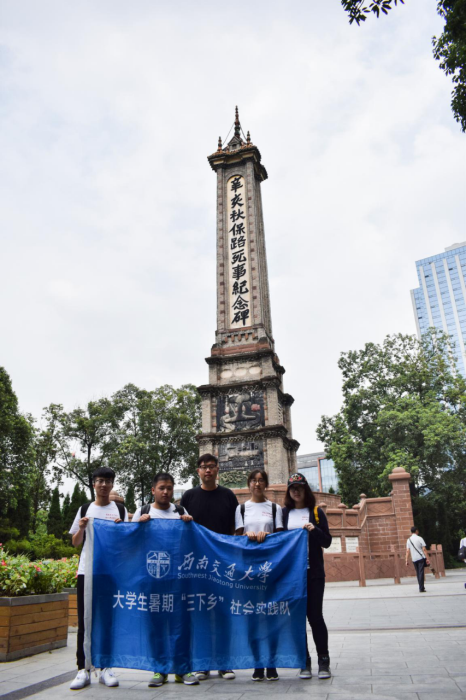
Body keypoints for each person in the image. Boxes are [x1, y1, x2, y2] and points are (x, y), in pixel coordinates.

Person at [132, 472, 199, 687]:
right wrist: (138, 526)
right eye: (161, 488)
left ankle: (182, 669)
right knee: (156, 626)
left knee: (181, 625)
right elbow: (131, 543)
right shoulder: (143, 512)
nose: (166, 492)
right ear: (153, 490)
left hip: (178, 579)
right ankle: (159, 670)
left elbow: (191, 543)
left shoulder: (180, 511)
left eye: (169, 488)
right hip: (152, 579)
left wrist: (189, 524)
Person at [69, 467, 129, 691]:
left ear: (112, 484)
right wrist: (82, 528)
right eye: (100, 480)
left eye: (108, 481)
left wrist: (121, 530)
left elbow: (125, 544)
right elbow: (75, 542)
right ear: (94, 484)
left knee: (107, 621)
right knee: (84, 621)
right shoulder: (85, 509)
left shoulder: (120, 510)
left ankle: (105, 668)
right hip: (87, 571)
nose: (104, 484)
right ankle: (82, 669)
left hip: (110, 573)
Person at [180, 453, 239, 681]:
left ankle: (224, 663)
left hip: (222, 564)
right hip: (197, 565)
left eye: (211, 466)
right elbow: (180, 527)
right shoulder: (189, 496)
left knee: (223, 613)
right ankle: (202, 663)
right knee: (201, 614)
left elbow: (235, 529)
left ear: (217, 470)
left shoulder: (228, 495)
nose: (207, 470)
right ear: (198, 471)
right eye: (204, 467)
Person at [282, 473, 332, 680]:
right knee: (297, 619)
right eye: (293, 488)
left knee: (315, 617)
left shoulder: (316, 512)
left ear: (306, 490)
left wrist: (314, 530)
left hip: (314, 573)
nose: (296, 491)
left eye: (300, 487)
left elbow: (327, 541)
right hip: (291, 575)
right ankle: (304, 661)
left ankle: (324, 660)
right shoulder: (284, 514)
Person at [234, 468, 283, 682]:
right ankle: (257, 663)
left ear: (266, 484)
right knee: (252, 617)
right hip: (249, 570)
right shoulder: (242, 508)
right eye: (253, 480)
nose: (257, 484)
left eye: (261, 480)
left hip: (269, 568)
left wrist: (267, 535)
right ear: (248, 484)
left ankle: (271, 663)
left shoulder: (274, 508)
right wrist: (248, 535)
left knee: (271, 617)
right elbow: (237, 538)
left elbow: (282, 539)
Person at [406, 526, 429, 593]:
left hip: (414, 559)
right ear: (416, 531)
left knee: (418, 572)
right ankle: (421, 588)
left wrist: (406, 560)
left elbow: (407, 551)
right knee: (421, 572)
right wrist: (427, 558)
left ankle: (421, 586)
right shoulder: (420, 538)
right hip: (420, 557)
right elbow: (424, 549)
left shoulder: (408, 540)